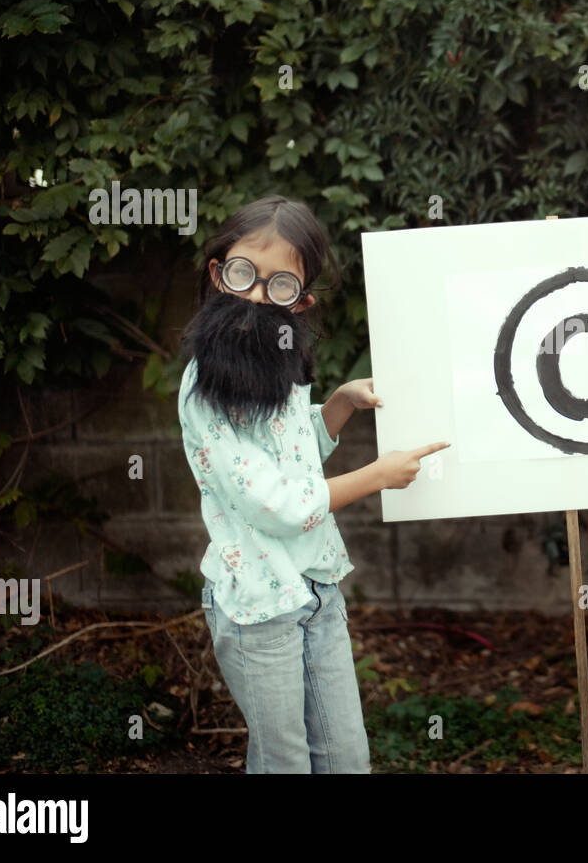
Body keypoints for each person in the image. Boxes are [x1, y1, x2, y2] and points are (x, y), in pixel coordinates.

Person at [177, 195, 448, 773]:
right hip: (256, 602)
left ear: (299, 302)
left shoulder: (278, 360)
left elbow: (295, 451)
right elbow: (275, 504)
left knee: (345, 757)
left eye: (277, 285)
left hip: (315, 590)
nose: (255, 294)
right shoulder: (206, 382)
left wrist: (341, 405)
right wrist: (377, 477)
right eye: (244, 273)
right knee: (286, 763)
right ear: (218, 271)